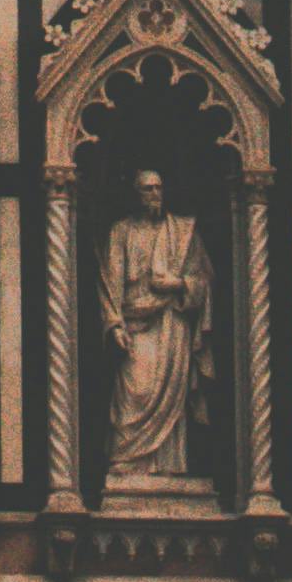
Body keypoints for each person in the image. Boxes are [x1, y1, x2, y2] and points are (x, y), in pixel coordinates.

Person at [98, 164, 212, 487]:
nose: (155, 194)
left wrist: (177, 284)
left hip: (172, 323)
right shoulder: (121, 231)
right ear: (135, 194)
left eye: (159, 187)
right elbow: (109, 282)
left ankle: (169, 467)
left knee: (171, 401)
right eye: (148, 188)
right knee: (135, 390)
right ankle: (128, 460)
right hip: (135, 323)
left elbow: (204, 281)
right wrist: (114, 324)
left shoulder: (183, 231)